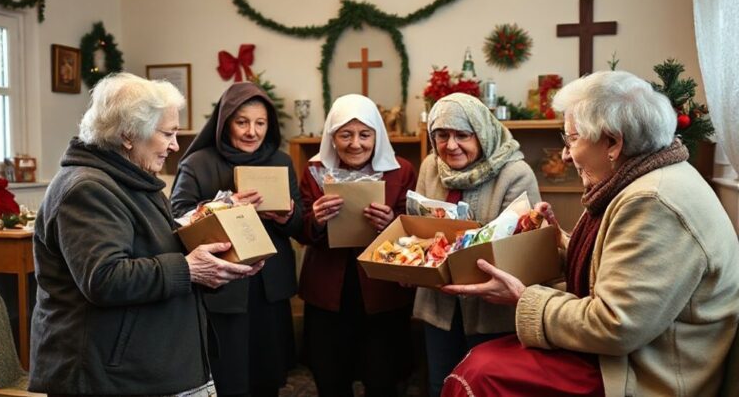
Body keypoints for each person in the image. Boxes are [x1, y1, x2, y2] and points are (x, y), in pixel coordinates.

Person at [441, 71, 739, 396]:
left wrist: (522, 298)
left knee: (481, 372)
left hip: (646, 371)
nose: (566, 154)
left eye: (572, 139)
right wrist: (556, 240)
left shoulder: (652, 201)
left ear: (612, 142)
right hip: (633, 354)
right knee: (483, 361)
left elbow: (615, 326)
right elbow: (619, 270)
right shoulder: (636, 178)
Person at [29, 73, 262, 396]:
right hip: (107, 376)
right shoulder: (86, 189)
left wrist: (213, 260)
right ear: (128, 135)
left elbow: (153, 250)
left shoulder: (133, 176)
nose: (175, 145)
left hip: (147, 367)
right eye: (167, 133)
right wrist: (190, 268)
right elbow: (105, 278)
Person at [170, 82, 303, 397]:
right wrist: (226, 204)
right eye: (242, 122)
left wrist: (287, 216)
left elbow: (300, 221)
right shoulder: (198, 162)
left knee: (268, 377)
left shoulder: (281, 161)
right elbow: (178, 217)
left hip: (269, 287)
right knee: (228, 377)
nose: (251, 132)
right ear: (225, 121)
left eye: (260, 123)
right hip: (223, 288)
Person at [411, 92, 540, 397]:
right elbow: (416, 223)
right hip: (439, 303)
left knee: (485, 388)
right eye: (441, 135)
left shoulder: (515, 173)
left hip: (490, 308)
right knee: (441, 384)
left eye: (462, 135)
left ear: (482, 133)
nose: (451, 145)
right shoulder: (431, 166)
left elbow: (525, 246)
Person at [297, 94, 417, 397]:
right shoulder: (315, 171)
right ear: (332, 137)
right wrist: (318, 220)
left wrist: (392, 223)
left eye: (365, 134)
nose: (356, 143)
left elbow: (417, 228)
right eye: (345, 134)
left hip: (383, 291)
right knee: (330, 378)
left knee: (383, 379)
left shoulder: (401, 170)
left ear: (377, 135)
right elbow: (300, 229)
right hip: (328, 290)